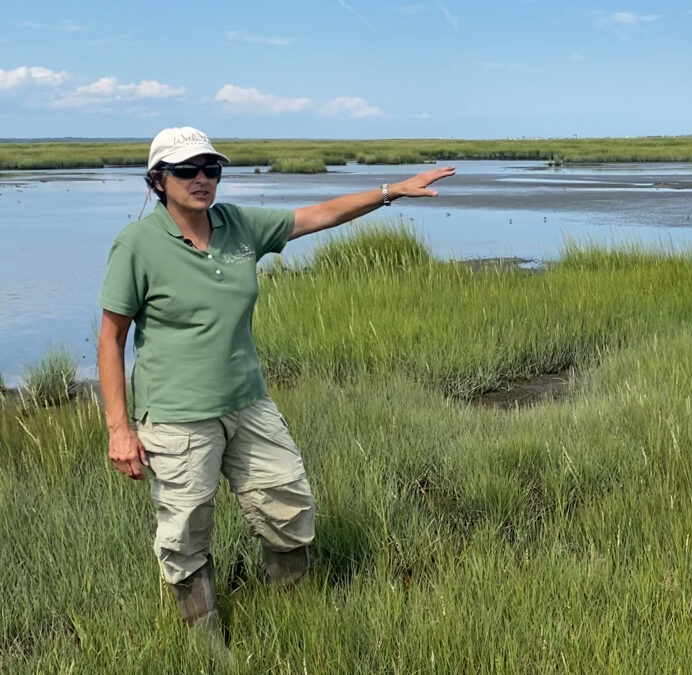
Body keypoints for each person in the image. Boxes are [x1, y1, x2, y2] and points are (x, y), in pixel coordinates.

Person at [97, 127, 454, 636]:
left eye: (210, 169)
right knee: (185, 530)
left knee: (287, 503)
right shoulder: (137, 245)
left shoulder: (238, 225)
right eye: (186, 170)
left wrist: (390, 191)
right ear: (158, 180)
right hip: (177, 415)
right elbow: (110, 338)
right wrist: (119, 429)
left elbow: (318, 215)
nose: (201, 179)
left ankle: (292, 618)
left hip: (248, 403)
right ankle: (204, 645)